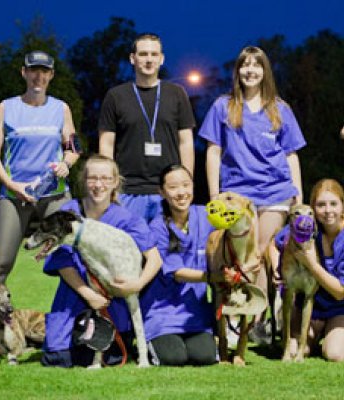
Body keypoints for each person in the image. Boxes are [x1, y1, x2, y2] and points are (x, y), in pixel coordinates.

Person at [198, 46, 306, 342]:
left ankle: (253, 320)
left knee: (257, 251)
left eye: (256, 65)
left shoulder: (280, 109)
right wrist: (215, 195)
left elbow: (292, 155)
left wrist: (299, 195)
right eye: (244, 65)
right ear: (237, 71)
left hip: (276, 192)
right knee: (237, 256)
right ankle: (238, 318)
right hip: (237, 196)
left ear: (265, 71)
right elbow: (213, 152)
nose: (250, 70)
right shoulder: (223, 106)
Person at [41, 154, 162, 367]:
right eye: (92, 178)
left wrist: (137, 284)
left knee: (108, 357)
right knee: (58, 359)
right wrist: (88, 294)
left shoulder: (128, 219)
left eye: (105, 179)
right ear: (84, 181)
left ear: (115, 182)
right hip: (74, 295)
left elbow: (154, 259)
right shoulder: (68, 213)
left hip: (113, 302)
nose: (98, 185)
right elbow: (61, 261)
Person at [0, 50, 81, 285]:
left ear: (52, 75)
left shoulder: (61, 109)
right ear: (24, 72)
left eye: (45, 71)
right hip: (14, 194)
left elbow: (74, 148)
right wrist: (11, 185)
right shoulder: (6, 108)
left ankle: (82, 317)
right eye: (34, 70)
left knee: (75, 255)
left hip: (55, 195)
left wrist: (66, 164)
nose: (39, 76)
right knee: (1, 263)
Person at [98, 33, 195, 222]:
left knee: (168, 249)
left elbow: (186, 142)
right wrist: (109, 186)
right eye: (143, 54)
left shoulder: (176, 94)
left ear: (161, 58)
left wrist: (186, 183)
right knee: (127, 249)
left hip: (169, 192)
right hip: (127, 192)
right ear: (132, 58)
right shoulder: (116, 96)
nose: (149, 60)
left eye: (153, 54)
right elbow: (106, 143)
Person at [140, 164, 218, 366]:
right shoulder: (157, 226)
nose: (181, 192)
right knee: (174, 358)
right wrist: (213, 278)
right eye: (173, 187)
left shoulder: (206, 215)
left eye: (186, 185)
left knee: (205, 357)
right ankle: (151, 340)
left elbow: (232, 231)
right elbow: (178, 273)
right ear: (162, 192)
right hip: (162, 313)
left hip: (195, 314)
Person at [287, 179, 344, 361]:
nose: (328, 210)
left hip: (339, 308)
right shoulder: (307, 229)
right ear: (312, 209)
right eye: (321, 205)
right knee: (297, 351)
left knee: (335, 354)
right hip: (311, 305)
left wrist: (311, 263)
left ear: (342, 206)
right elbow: (275, 242)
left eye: (333, 204)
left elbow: (340, 292)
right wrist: (277, 270)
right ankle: (314, 337)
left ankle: (331, 336)